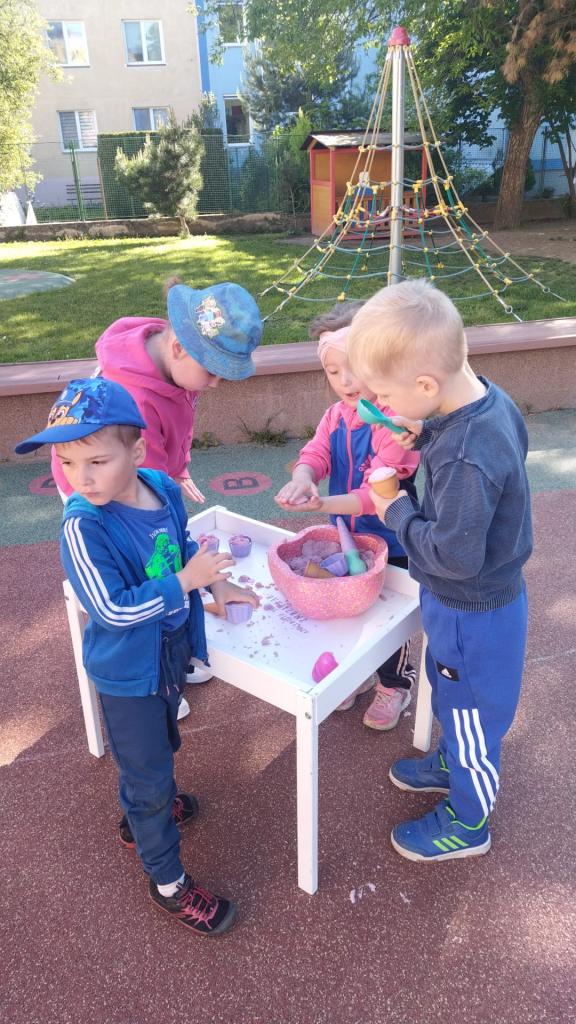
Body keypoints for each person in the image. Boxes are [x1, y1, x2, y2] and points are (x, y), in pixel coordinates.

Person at [16, 377, 259, 933]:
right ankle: (167, 882)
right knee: (147, 770)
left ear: (138, 451)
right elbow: (110, 610)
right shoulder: (84, 525)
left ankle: (140, 815)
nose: (80, 478)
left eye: (96, 461)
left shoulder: (162, 488)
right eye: (67, 462)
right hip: (127, 673)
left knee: (159, 749)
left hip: (167, 653)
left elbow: (182, 544)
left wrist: (216, 584)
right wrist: (185, 583)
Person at [347, 279, 532, 862]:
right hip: (474, 601)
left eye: (386, 396)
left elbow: (454, 554)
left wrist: (395, 509)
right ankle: (454, 760)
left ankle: (469, 822)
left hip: (471, 607)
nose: (381, 406)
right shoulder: (487, 404)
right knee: (454, 694)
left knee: (471, 708)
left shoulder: (465, 457)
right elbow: (480, 450)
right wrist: (425, 431)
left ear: (426, 384)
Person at [50, 278, 263, 701]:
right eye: (213, 372)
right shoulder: (137, 399)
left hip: (134, 468)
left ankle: (173, 649)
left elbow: (173, 424)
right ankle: (155, 671)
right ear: (179, 348)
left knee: (164, 558)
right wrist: (188, 572)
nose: (215, 384)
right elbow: (139, 483)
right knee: (147, 569)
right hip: (100, 480)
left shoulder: (169, 351)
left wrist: (175, 469)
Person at [275, 302, 420, 729]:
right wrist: (303, 478)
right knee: (351, 609)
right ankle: (358, 672)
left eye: (353, 368)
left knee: (388, 619)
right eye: (334, 371)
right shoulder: (336, 416)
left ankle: (395, 683)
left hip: (393, 538)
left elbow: (375, 498)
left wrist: (322, 505)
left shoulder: (398, 426)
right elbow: (315, 454)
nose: (345, 381)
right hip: (348, 535)